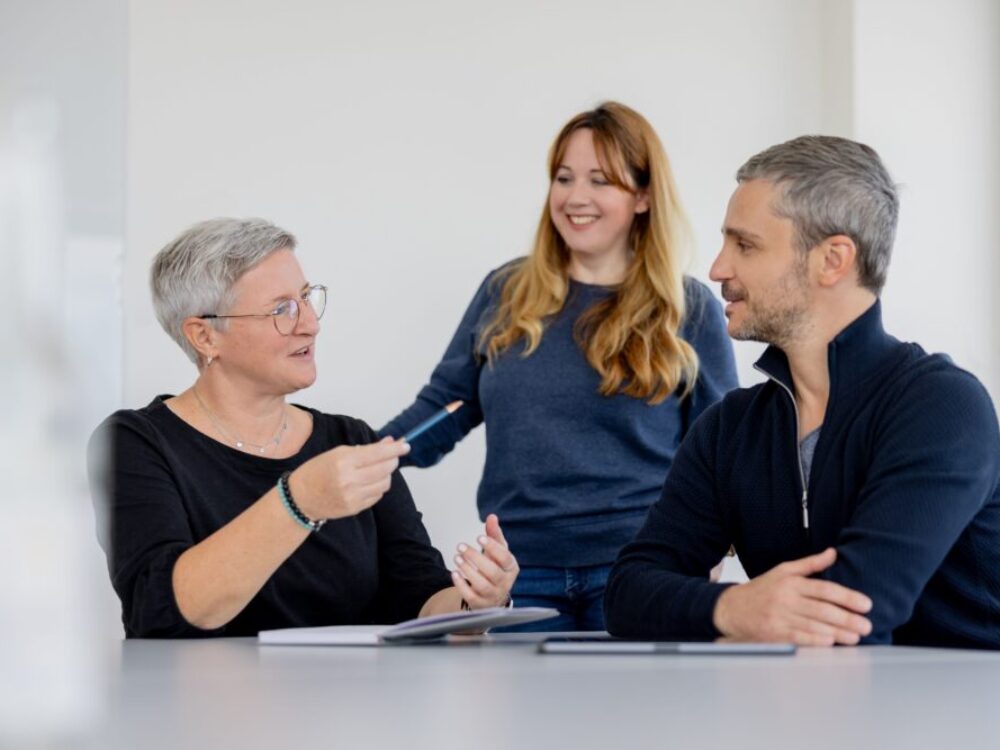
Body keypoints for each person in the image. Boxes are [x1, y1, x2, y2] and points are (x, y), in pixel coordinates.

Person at [604, 135, 1000, 649]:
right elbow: (628, 593)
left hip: (960, 721)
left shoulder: (942, 408)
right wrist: (731, 606)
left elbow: (856, 610)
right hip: (810, 712)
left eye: (745, 245)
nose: (718, 269)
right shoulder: (730, 429)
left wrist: (717, 617)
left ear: (833, 260)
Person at [380, 102, 738, 631]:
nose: (576, 197)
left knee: (635, 716)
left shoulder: (688, 308)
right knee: (526, 716)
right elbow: (445, 408)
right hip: (518, 576)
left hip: (640, 569)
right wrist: (360, 458)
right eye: (564, 178)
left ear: (642, 196)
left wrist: (712, 549)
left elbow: (722, 451)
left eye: (600, 180)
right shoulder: (506, 292)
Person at [88, 218, 518, 638]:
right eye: (281, 309)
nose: (309, 323)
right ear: (205, 336)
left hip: (348, 707)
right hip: (197, 707)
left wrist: (476, 605)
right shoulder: (136, 443)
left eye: (307, 298)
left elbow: (417, 593)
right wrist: (299, 501)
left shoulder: (350, 440)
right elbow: (158, 607)